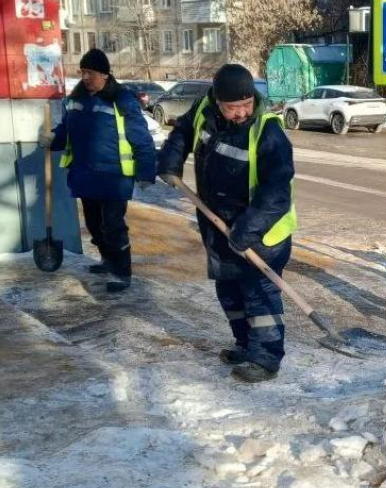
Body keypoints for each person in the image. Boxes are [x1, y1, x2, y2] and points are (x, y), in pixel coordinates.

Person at [157, 64, 296, 383]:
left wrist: (248, 229)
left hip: (262, 231)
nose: (241, 113)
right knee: (229, 291)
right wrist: (170, 160)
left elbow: (277, 193)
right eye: (233, 107)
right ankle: (246, 345)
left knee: (258, 294)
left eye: (247, 105)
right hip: (217, 221)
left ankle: (266, 358)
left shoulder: (268, 132)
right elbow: (183, 131)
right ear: (217, 101)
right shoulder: (205, 106)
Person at [39, 48, 156, 292]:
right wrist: (53, 140)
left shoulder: (121, 100)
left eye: (90, 72)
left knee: (113, 225)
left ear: (104, 74)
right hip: (85, 175)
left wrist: (146, 171)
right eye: (82, 72)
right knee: (94, 224)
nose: (85, 77)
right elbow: (66, 130)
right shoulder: (76, 100)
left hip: (114, 177)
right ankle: (107, 259)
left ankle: (121, 271)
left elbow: (141, 137)